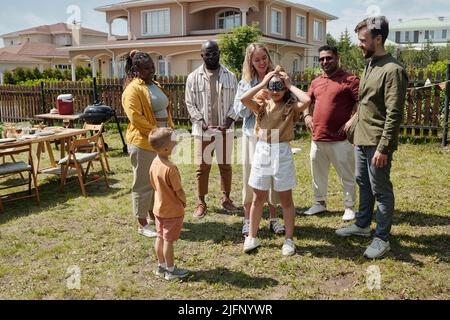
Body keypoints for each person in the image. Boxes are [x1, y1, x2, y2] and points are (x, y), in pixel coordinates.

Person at [336, 16, 408, 259]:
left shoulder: (392, 70)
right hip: (361, 138)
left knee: (381, 190)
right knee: (362, 182)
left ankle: (382, 238)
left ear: (378, 39)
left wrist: (384, 148)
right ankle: (363, 225)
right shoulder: (369, 65)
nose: (359, 44)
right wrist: (353, 122)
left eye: (363, 40)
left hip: (377, 142)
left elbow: (394, 113)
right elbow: (367, 104)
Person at [240, 66, 311, 256]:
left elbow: (307, 99)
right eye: (273, 86)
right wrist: (262, 84)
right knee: (258, 197)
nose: (276, 90)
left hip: (282, 151)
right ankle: (252, 237)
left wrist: (290, 85)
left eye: (280, 87)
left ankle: (289, 240)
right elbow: (243, 99)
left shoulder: (290, 107)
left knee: (286, 199)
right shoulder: (261, 105)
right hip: (263, 149)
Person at [234, 43, 285, 237]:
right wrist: (255, 97)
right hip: (252, 135)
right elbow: (239, 111)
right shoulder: (245, 82)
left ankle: (273, 219)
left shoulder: (278, 76)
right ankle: (248, 219)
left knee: (273, 177)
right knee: (250, 177)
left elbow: (286, 102)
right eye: (257, 59)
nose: (262, 62)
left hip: (274, 135)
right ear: (250, 61)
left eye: (264, 57)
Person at [303, 45, 359, 221]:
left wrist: (352, 121)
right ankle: (319, 203)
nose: (324, 62)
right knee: (317, 173)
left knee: (346, 174)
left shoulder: (350, 79)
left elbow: (363, 103)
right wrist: (306, 116)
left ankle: (349, 206)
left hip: (341, 139)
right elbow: (306, 101)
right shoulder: (316, 81)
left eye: (328, 58)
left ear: (337, 57)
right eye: (321, 59)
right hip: (317, 137)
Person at [122, 50, 174, 239]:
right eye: (146, 69)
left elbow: (165, 109)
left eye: (152, 67)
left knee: (156, 182)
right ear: (136, 69)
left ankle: (153, 215)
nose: (151, 71)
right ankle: (141, 222)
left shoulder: (155, 84)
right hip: (144, 142)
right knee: (143, 184)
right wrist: (156, 133)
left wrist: (169, 131)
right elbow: (136, 118)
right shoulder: (132, 90)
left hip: (160, 141)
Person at [185, 40, 239, 218]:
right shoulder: (193, 77)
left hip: (225, 130)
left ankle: (226, 199)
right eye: (207, 54)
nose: (211, 56)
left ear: (219, 53)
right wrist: (202, 123)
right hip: (203, 131)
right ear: (202, 55)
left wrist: (228, 122)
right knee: (202, 167)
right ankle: (201, 202)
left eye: (214, 53)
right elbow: (189, 103)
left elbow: (237, 102)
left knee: (225, 166)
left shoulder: (230, 76)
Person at [149, 128, 189, 281]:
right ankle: (170, 271)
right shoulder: (171, 169)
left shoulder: (154, 162)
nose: (177, 145)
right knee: (169, 241)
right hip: (172, 211)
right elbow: (178, 191)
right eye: (174, 143)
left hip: (158, 208)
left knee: (160, 237)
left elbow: (153, 184)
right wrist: (183, 201)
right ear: (166, 149)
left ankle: (161, 266)